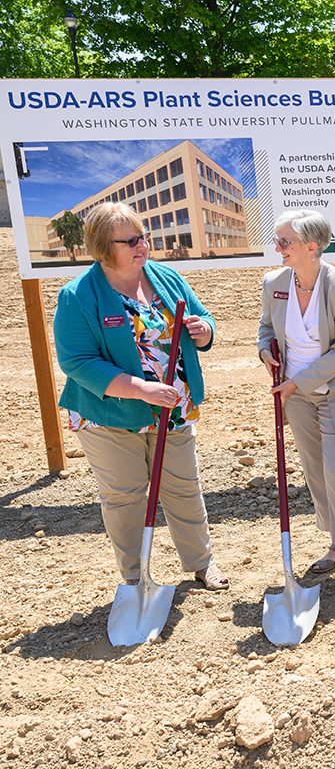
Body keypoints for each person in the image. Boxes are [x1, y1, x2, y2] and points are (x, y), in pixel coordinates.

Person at [53, 202, 228, 590]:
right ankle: (135, 575)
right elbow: (77, 362)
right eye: (130, 240)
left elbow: (205, 319)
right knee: (125, 496)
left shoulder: (164, 278)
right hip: (110, 415)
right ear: (102, 245)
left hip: (173, 409)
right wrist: (140, 389)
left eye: (143, 236)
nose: (142, 246)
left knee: (183, 487)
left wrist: (204, 331)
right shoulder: (78, 295)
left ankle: (201, 563)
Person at [258, 210, 335, 592]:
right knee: (315, 471)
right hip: (296, 397)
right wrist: (264, 351)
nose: (278, 249)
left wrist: (297, 382)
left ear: (312, 246)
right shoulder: (274, 282)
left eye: (285, 242)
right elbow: (266, 327)